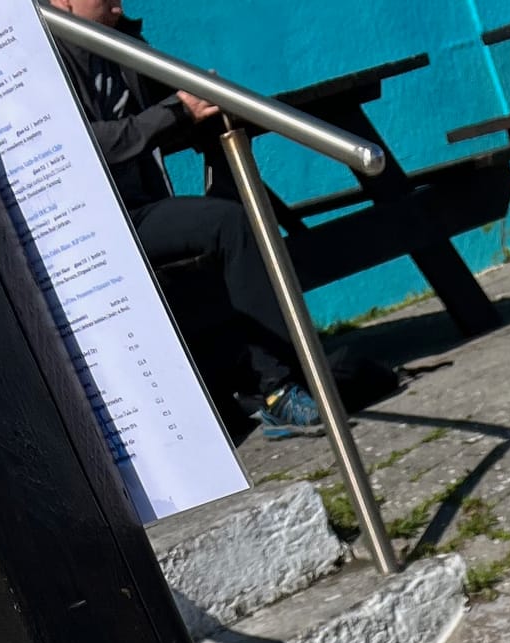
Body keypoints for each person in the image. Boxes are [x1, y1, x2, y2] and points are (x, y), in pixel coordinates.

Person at [49, 0, 325, 439]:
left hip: (143, 207)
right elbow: (82, 142)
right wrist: (175, 111)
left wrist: (201, 93)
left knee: (234, 218)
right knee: (228, 225)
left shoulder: (119, 40)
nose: (118, 6)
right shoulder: (40, 56)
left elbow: (176, 94)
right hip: (92, 222)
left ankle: (273, 376)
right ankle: (276, 387)